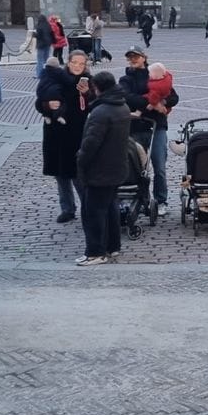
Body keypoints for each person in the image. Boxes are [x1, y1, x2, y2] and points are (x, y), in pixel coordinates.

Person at [75, 71, 130, 266]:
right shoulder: (121, 106)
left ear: (97, 87)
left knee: (94, 212)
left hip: (100, 170)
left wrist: (80, 159)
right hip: (116, 167)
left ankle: (95, 252)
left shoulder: (101, 112)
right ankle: (113, 246)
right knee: (110, 208)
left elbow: (91, 143)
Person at [120, 46, 179, 215]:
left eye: (136, 56)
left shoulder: (156, 73)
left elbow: (173, 96)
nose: (133, 59)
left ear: (144, 57)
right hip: (135, 127)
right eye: (130, 57)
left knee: (159, 166)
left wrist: (164, 103)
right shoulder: (125, 79)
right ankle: (142, 199)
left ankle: (161, 200)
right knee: (138, 167)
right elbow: (126, 97)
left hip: (157, 126)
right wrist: (152, 104)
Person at [41, 50, 91, 223]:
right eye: (74, 62)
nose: (77, 66)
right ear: (68, 63)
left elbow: (94, 105)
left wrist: (86, 94)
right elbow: (41, 97)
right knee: (60, 173)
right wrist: (47, 104)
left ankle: (88, 206)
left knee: (77, 173)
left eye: (81, 63)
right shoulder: (57, 77)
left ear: (85, 66)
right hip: (55, 132)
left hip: (76, 133)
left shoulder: (89, 82)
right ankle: (67, 208)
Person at [36, 56, 75, 124]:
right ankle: (58, 115)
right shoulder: (60, 72)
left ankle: (46, 115)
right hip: (54, 92)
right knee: (61, 103)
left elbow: (38, 103)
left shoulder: (44, 71)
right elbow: (69, 81)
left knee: (46, 101)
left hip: (41, 90)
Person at [34, 12, 55, 77]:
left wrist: (34, 35)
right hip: (48, 44)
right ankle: (48, 73)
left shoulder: (39, 26)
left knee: (40, 60)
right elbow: (52, 34)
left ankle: (39, 74)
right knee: (46, 59)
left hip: (41, 45)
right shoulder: (48, 25)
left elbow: (39, 36)